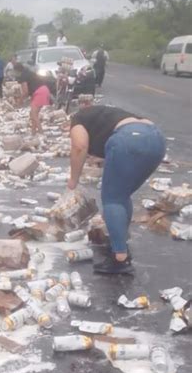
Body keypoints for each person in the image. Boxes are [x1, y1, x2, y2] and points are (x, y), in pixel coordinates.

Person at [68, 105, 166, 275]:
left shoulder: (77, 119)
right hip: (155, 138)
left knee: (112, 199)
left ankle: (120, 258)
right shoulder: (104, 116)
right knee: (122, 194)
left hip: (129, 139)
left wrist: (73, 180)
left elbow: (79, 146)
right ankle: (120, 242)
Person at [13, 63, 51, 134]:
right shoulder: (28, 72)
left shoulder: (23, 76)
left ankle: (41, 132)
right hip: (44, 90)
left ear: (17, 70)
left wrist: (20, 100)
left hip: (39, 92)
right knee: (33, 114)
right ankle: (33, 132)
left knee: (33, 114)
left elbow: (25, 92)